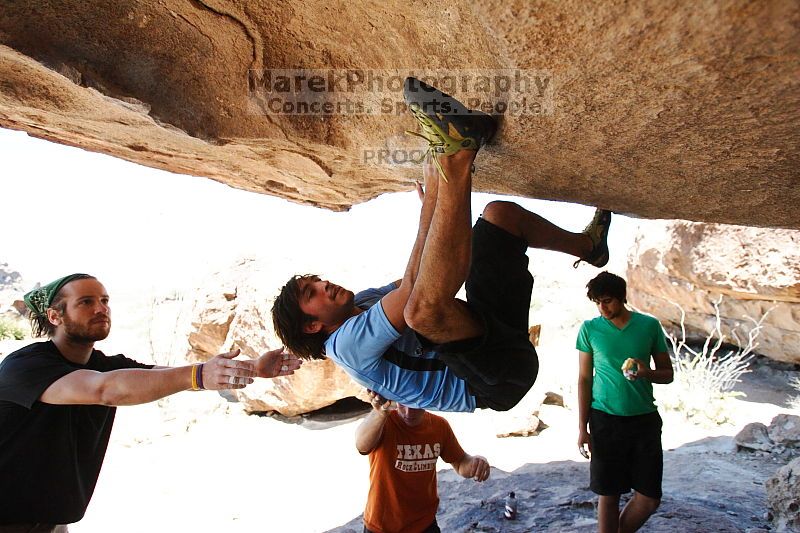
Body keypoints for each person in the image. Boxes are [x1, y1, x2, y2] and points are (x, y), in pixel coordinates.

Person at [272, 77, 612, 412]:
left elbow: (423, 274)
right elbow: (413, 293)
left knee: (500, 217)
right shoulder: (345, 346)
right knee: (419, 312)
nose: (322, 284)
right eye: (310, 293)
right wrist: (436, 188)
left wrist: (433, 198)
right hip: (493, 382)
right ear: (313, 326)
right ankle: (460, 151)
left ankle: (589, 247)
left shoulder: (364, 302)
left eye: (314, 281)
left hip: (489, 328)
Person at [0, 273, 302, 532]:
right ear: (55, 316)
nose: (101, 309)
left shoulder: (105, 364)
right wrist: (199, 374)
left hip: (48, 522)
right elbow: (105, 390)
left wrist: (254, 368)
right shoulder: (26, 366)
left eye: (104, 300)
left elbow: (164, 376)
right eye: (86, 302)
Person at [576, 271, 674, 533]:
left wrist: (647, 373)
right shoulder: (589, 329)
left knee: (650, 498)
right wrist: (582, 429)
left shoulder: (649, 326)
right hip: (604, 419)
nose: (602, 307)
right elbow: (584, 379)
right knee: (608, 494)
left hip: (644, 420)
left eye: (607, 300)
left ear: (621, 298)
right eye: (597, 302)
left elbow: (668, 374)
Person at [355, 391, 490, 533]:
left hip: (424, 523)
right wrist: (380, 413)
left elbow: (460, 462)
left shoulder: (439, 425)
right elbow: (361, 445)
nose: (408, 412)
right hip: (382, 525)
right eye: (403, 403)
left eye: (415, 404)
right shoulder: (384, 422)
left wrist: (477, 464)